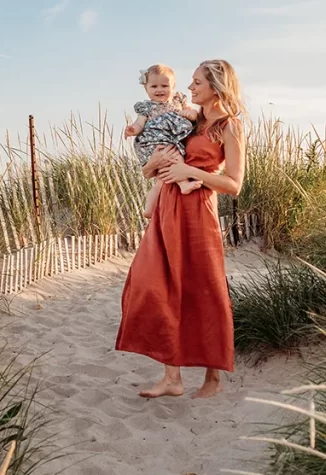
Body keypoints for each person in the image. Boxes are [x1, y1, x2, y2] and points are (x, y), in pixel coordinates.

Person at [115, 59, 247, 399]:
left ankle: (212, 378)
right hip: (166, 207)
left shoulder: (229, 126)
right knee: (157, 284)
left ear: (216, 86)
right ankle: (172, 378)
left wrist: (192, 172)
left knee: (204, 288)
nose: (190, 87)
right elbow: (149, 170)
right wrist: (156, 163)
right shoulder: (187, 119)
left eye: (197, 82)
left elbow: (233, 183)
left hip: (198, 212)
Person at [124, 64, 201, 218]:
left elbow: (192, 112)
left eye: (164, 85)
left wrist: (190, 114)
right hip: (155, 143)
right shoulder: (147, 107)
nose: (159, 90)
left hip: (169, 140)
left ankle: (148, 209)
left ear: (173, 86)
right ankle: (184, 184)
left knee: (160, 180)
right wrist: (132, 129)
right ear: (146, 89)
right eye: (154, 86)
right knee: (175, 158)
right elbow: (139, 124)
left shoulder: (178, 100)